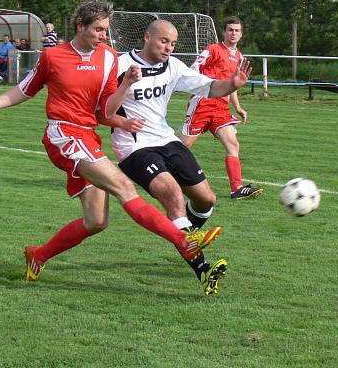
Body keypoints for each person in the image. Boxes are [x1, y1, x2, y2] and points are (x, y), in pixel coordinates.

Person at [0, 0, 220, 284]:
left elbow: (106, 110)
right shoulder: (54, 56)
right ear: (80, 26)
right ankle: (183, 240)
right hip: (63, 133)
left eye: (106, 30)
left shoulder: (109, 57)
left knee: (96, 221)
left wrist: (124, 97)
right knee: (124, 186)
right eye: (98, 29)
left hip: (88, 136)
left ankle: (38, 255)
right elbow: (24, 90)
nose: (104, 35)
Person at [104, 19, 251, 295]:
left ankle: (183, 235)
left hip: (166, 139)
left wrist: (232, 84)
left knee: (206, 199)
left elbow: (209, 87)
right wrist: (125, 85)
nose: (168, 48)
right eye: (163, 41)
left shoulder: (173, 66)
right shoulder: (120, 65)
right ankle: (203, 270)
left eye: (172, 43)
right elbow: (105, 110)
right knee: (172, 193)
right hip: (134, 147)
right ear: (147, 37)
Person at [180, 16, 263, 200]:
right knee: (183, 147)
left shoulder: (239, 57)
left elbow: (232, 85)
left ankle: (237, 189)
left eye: (237, 30)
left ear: (241, 34)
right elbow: (193, 70)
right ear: (224, 32)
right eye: (230, 30)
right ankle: (161, 174)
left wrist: (238, 106)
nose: (233, 33)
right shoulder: (212, 50)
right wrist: (200, 87)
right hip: (203, 102)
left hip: (220, 108)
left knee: (233, 144)